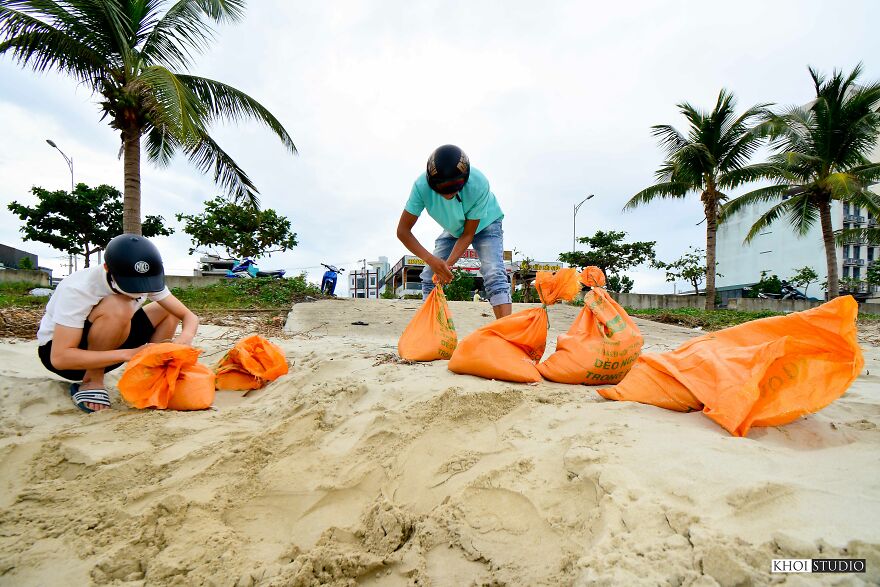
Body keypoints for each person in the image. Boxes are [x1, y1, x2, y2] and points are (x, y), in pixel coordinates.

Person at [36, 234, 199, 413]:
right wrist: (129, 354)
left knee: (167, 309)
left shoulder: (147, 279)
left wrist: (185, 338)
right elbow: (60, 358)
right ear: (107, 269)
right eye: (133, 285)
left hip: (112, 344)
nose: (141, 290)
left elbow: (188, 316)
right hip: (68, 359)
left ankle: (152, 378)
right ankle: (92, 381)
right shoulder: (78, 289)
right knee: (119, 305)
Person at [396, 145, 512, 319]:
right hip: (455, 227)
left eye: (455, 186)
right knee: (430, 275)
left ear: (465, 179)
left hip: (487, 222)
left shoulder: (479, 183)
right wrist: (433, 261)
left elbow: (468, 234)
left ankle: (506, 334)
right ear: (431, 182)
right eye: (441, 187)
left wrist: (447, 265)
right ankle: (432, 330)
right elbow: (403, 231)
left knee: (494, 271)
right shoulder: (421, 187)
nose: (448, 192)